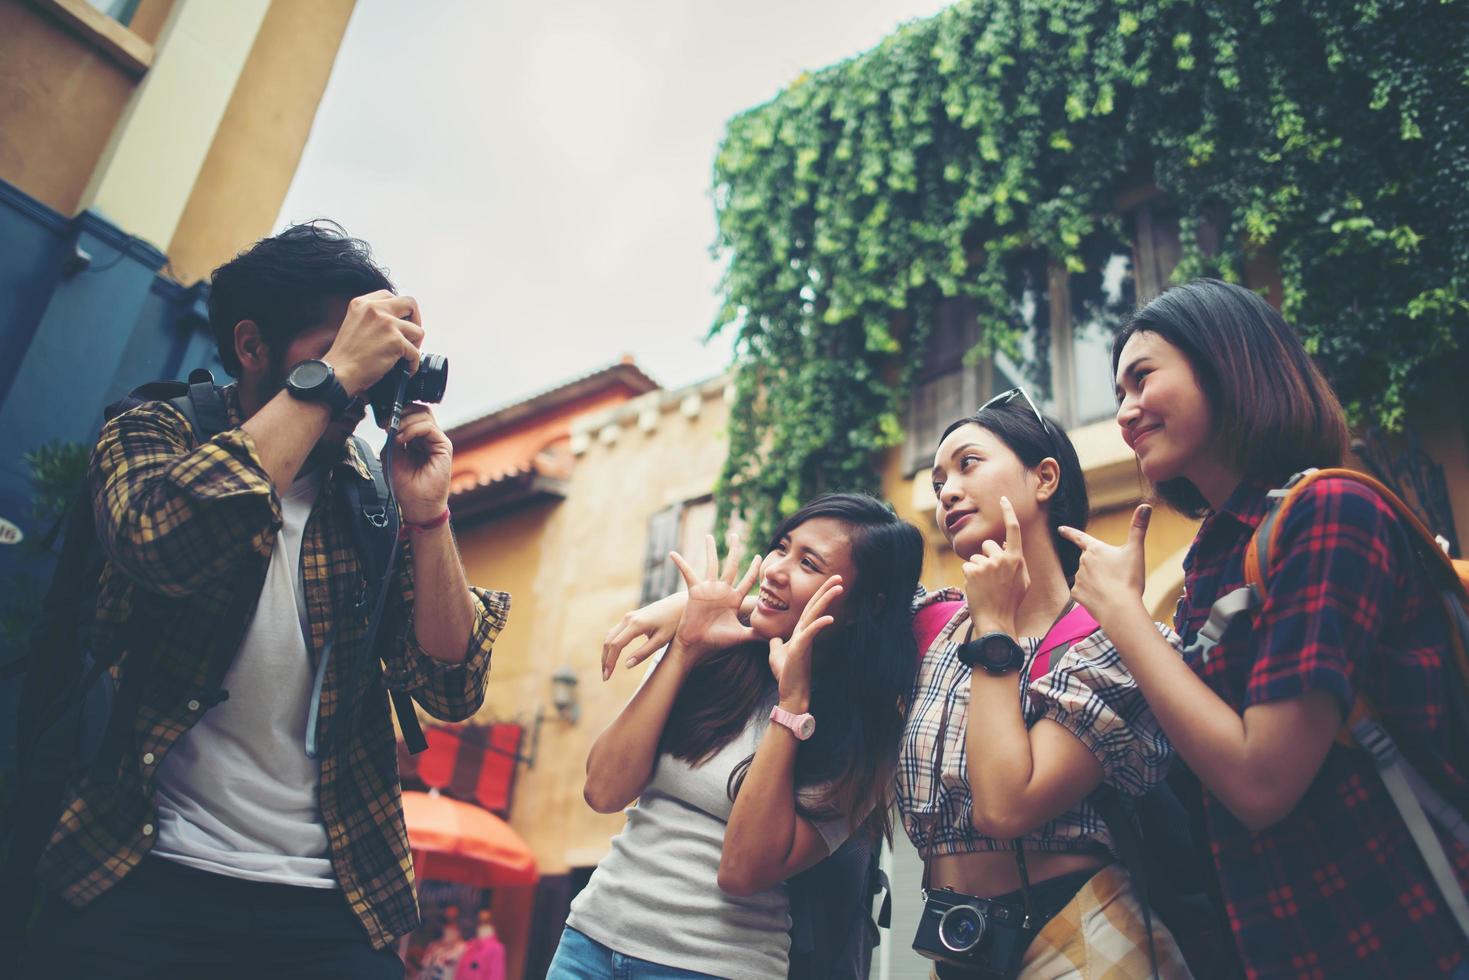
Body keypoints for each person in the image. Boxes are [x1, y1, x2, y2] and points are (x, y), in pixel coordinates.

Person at [20, 222, 510, 978]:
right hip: (137, 869)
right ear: (251, 348)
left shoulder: (370, 498)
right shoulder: (154, 431)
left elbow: (451, 684)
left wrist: (428, 512)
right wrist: (335, 377)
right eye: (332, 352)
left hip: (333, 895)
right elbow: (161, 540)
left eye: (369, 361)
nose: (357, 383)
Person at [1060, 278, 1469, 976]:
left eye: (1141, 378)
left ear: (1224, 361)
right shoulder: (1211, 568)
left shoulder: (1332, 510)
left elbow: (1259, 784)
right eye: (1117, 391)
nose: (1124, 412)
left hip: (1408, 940)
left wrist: (1124, 618)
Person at [551, 494, 923, 979]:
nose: (775, 569)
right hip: (589, 941)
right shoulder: (712, 654)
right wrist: (684, 646)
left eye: (808, 562)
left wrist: (791, 708)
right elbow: (603, 790)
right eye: (782, 547)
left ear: (860, 606)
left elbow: (742, 870)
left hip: (712, 966)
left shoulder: (860, 733)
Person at [902, 391, 1192, 978]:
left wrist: (995, 633)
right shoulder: (932, 625)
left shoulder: (1110, 638)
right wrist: (684, 612)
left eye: (968, 464)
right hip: (956, 946)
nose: (947, 492)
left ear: (1045, 478)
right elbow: (809, 606)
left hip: (1081, 929)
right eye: (937, 485)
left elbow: (1007, 807)